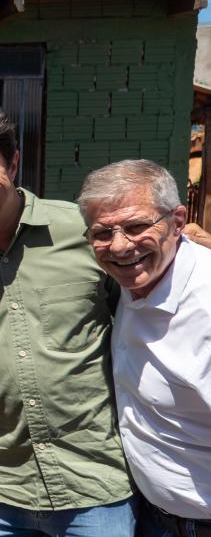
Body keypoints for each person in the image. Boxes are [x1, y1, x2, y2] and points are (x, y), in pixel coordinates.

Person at [0, 101, 135, 536]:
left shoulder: (83, 232)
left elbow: (142, 327)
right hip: (0, 495)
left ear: (14, 162)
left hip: (96, 486)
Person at [78, 159, 211, 535]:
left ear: (178, 221)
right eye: (102, 233)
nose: (120, 246)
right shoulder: (130, 282)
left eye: (137, 226)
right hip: (151, 515)